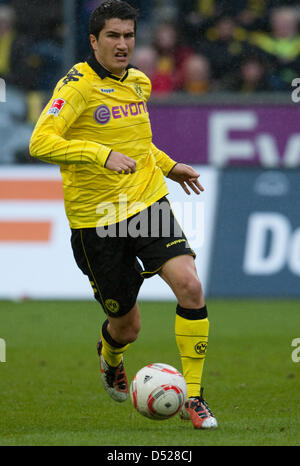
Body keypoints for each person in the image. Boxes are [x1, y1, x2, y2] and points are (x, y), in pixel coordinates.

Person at [29, 0, 217, 430]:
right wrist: (100, 154)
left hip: (147, 204)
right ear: (93, 40)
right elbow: (40, 142)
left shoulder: (139, 83)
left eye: (129, 36)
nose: (122, 44)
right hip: (97, 220)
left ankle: (195, 397)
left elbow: (138, 144)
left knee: (189, 285)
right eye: (112, 36)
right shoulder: (75, 87)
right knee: (126, 325)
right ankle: (110, 356)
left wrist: (169, 166)